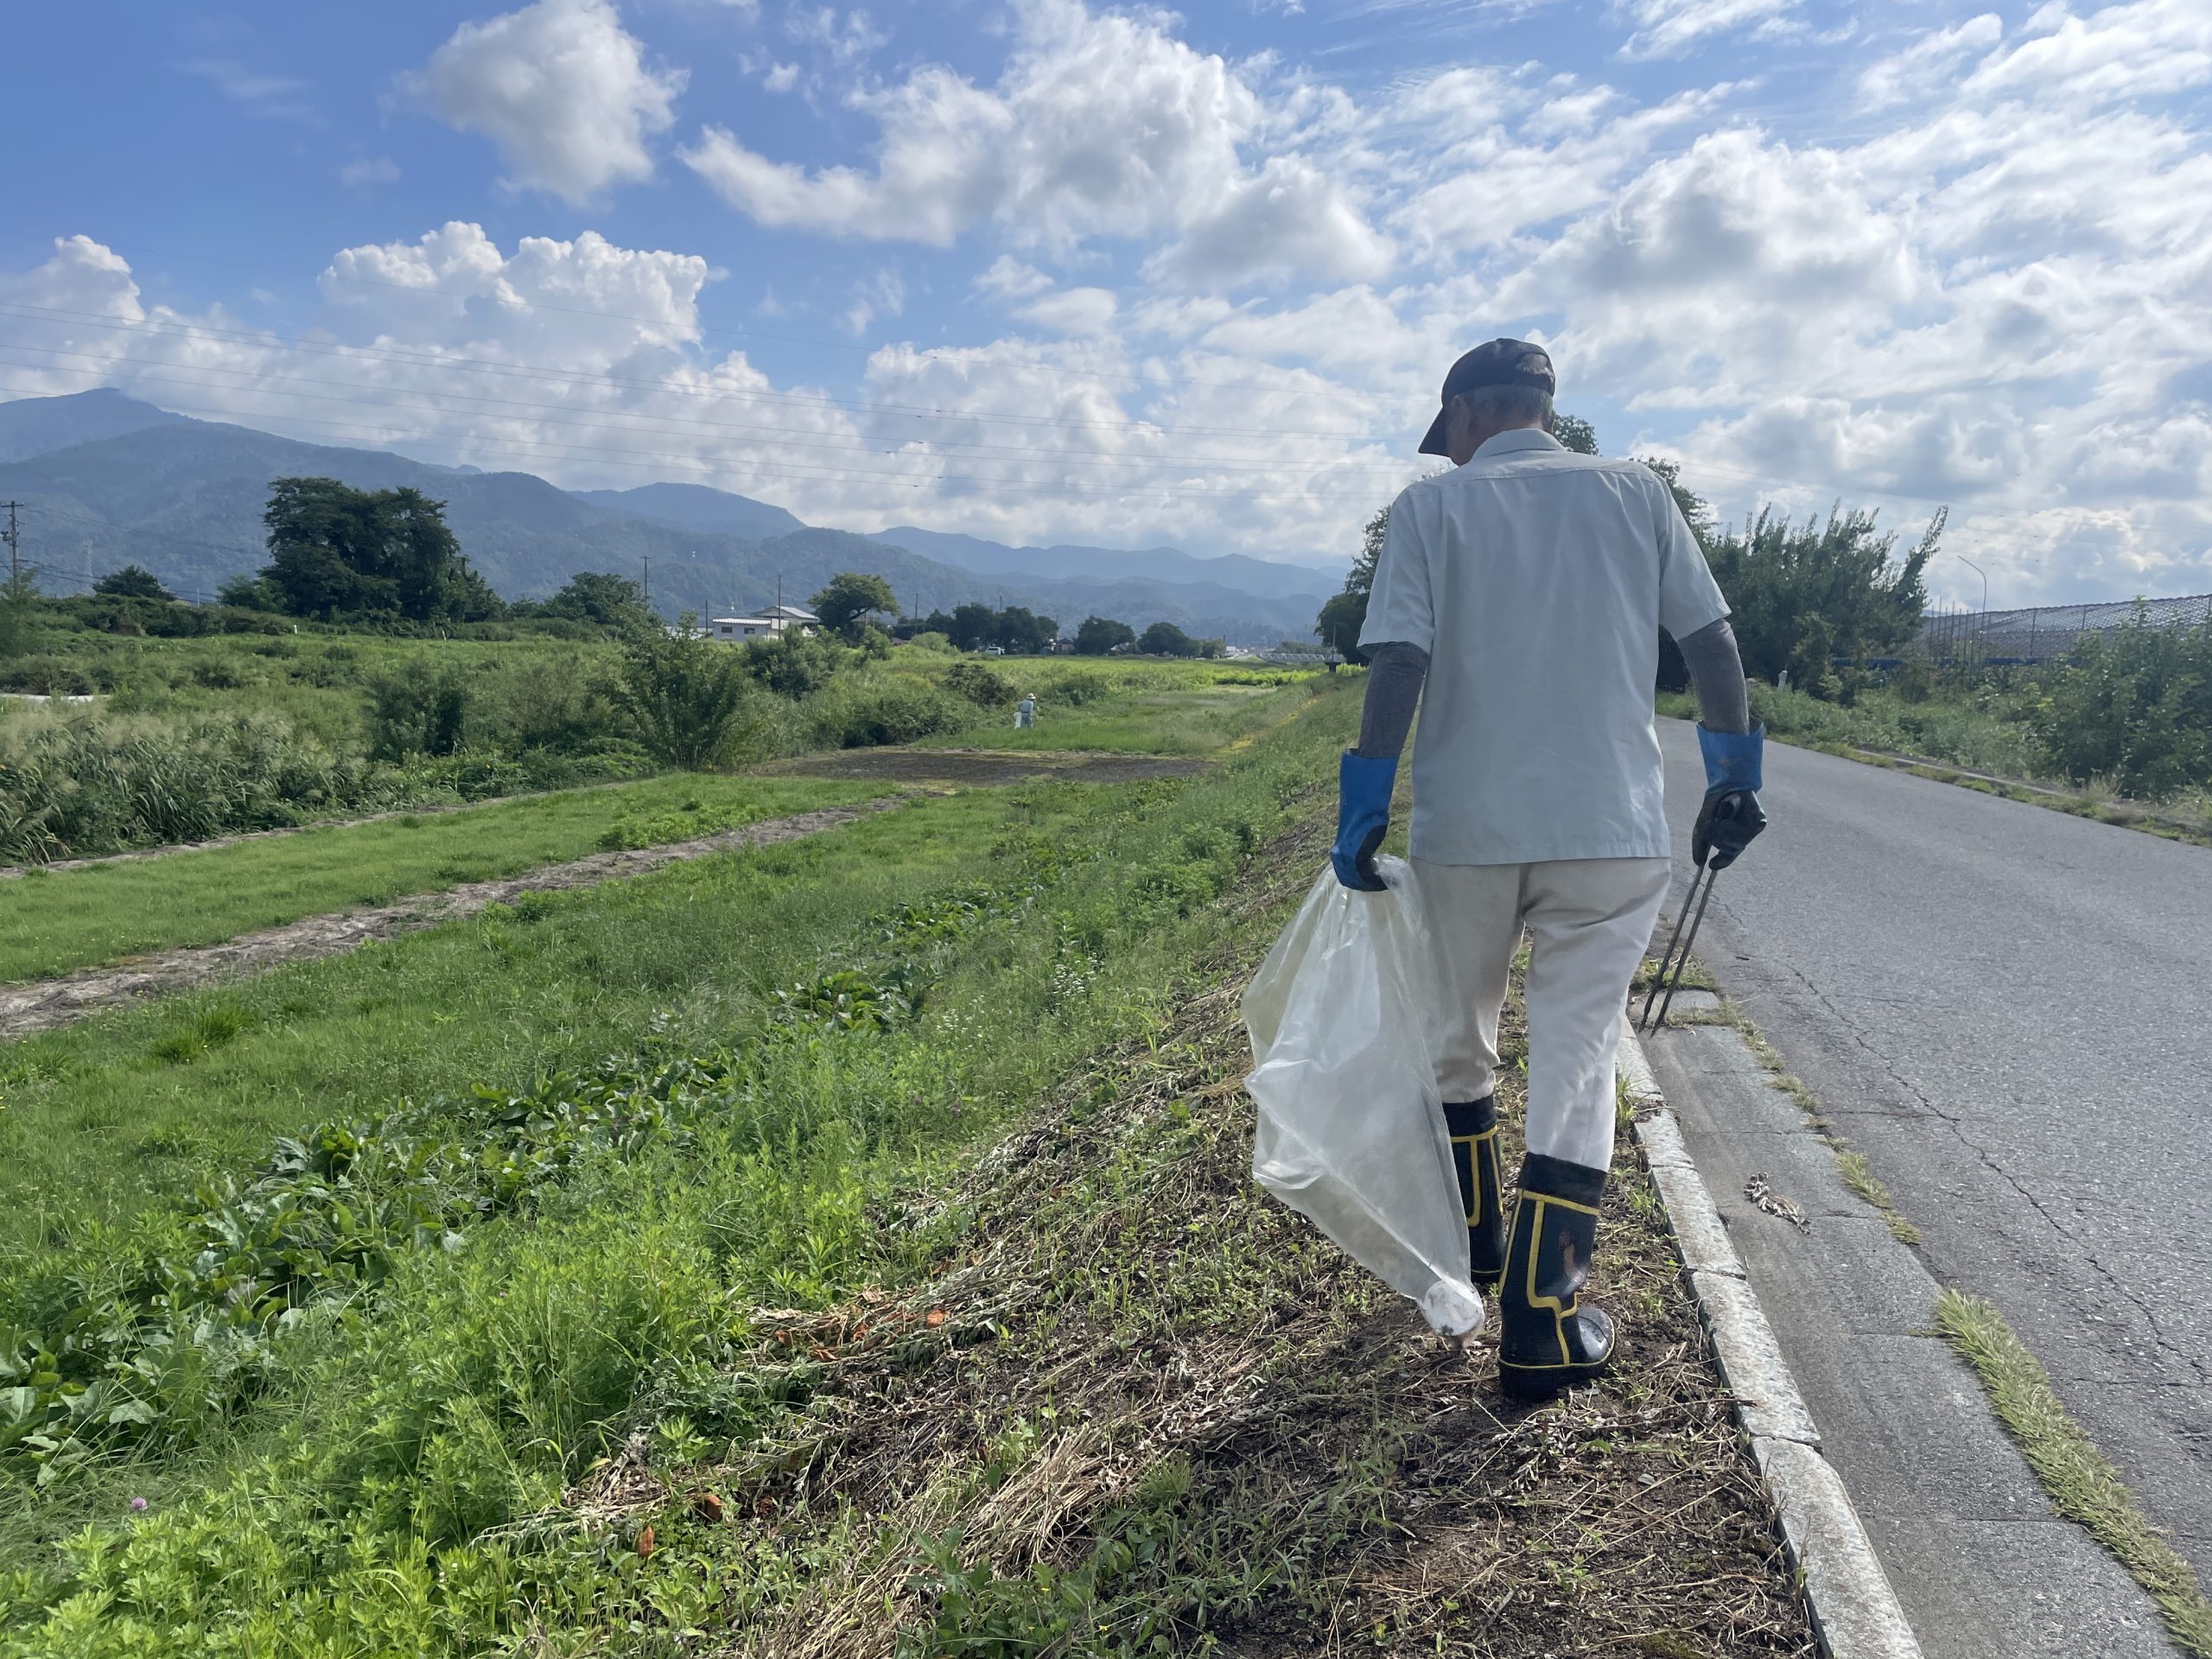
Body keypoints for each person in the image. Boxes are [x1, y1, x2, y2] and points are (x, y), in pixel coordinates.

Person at [1333, 338, 1765, 1400]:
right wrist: (1731, 777)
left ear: (1468, 415)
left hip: (1466, 830)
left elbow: (1400, 658)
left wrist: (1364, 797)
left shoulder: (1430, 510)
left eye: (1448, 436)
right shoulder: (1637, 493)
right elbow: (1711, 645)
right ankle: (1543, 1317)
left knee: (1457, 1039)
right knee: (1576, 1056)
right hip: (1609, 829)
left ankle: (1473, 1248)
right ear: (1543, 408)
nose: (1447, 453)